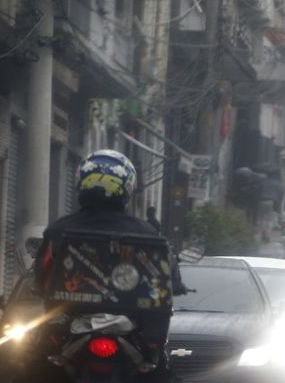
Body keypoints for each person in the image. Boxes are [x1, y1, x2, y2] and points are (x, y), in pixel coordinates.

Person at [33, 150, 178, 383]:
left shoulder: (59, 229)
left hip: (71, 324)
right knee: (159, 366)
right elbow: (168, 275)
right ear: (127, 187)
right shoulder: (147, 232)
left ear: (82, 182)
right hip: (131, 329)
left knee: (33, 363)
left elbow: (42, 274)